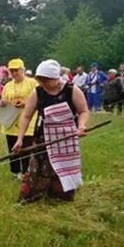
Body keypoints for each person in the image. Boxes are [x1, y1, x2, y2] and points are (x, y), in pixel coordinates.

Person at [13, 59, 90, 203]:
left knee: (62, 168)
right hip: (43, 137)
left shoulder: (71, 90)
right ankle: (31, 199)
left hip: (66, 139)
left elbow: (83, 111)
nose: (43, 84)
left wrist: (81, 126)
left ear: (56, 78)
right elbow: (26, 115)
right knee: (36, 168)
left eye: (46, 80)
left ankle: (59, 200)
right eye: (40, 80)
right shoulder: (38, 92)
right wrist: (20, 138)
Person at [0, 59, 38, 179]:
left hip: (27, 120)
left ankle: (26, 171)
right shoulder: (7, 85)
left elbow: (39, 98)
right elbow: (2, 99)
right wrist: (3, 102)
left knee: (26, 147)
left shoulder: (32, 83)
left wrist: (25, 103)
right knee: (12, 147)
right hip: (10, 120)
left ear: (23, 70)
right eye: (12, 71)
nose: (14, 73)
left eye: (16, 70)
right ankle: (15, 172)